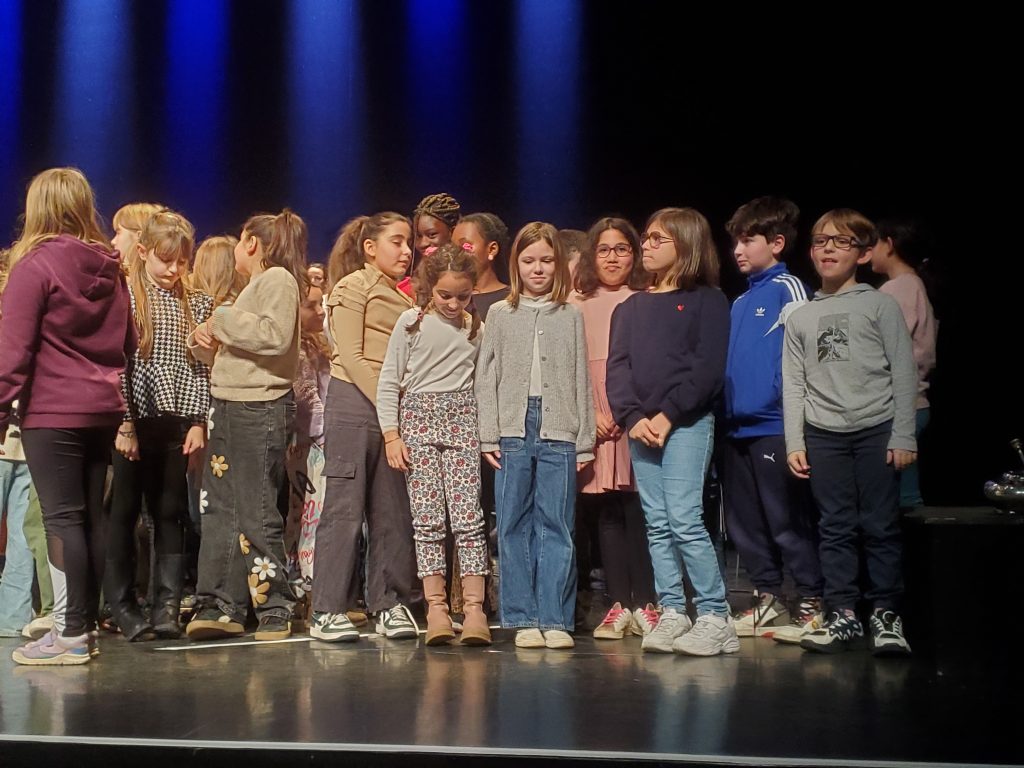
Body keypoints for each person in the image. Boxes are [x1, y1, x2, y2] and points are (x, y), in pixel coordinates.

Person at [1, 167, 135, 665]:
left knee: (61, 519)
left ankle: (70, 633)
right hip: (102, 409)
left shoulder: (34, 266)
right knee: (89, 518)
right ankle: (83, 626)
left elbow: (12, 353)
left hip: (52, 410)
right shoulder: (112, 269)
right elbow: (129, 344)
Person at [783, 208, 916, 656]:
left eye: (840, 242)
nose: (828, 250)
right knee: (834, 526)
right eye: (821, 241)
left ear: (862, 253)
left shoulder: (880, 305)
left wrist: (903, 434)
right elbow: (794, 383)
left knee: (880, 525)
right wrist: (795, 441)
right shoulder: (801, 315)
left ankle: (886, 614)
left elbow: (903, 371)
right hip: (824, 433)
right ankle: (842, 613)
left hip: (875, 427)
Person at [607, 207, 738, 656]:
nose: (646, 245)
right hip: (642, 428)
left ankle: (716, 615)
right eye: (646, 237)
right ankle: (673, 610)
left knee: (684, 518)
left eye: (657, 239)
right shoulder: (631, 307)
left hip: (685, 424)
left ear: (685, 245)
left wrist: (668, 415)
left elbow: (707, 370)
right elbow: (618, 369)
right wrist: (633, 417)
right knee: (658, 523)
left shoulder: (708, 301)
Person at [476, 221, 595, 650]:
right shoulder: (500, 313)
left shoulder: (570, 315)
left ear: (558, 263)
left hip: (559, 427)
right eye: (529, 261)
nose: (538, 268)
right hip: (512, 427)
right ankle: (523, 616)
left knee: (556, 523)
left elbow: (581, 377)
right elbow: (485, 377)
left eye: (546, 260)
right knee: (512, 523)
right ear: (516, 264)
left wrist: (585, 440)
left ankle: (555, 617)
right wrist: (488, 434)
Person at [186, 210, 305, 642]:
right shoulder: (250, 290)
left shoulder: (278, 280)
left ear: (251, 242)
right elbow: (235, 350)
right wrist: (203, 341)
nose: (237, 248)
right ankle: (221, 603)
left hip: (259, 406)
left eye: (239, 240)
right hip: (229, 403)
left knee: (255, 507)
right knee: (220, 509)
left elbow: (274, 336)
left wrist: (220, 319)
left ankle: (275, 606)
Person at [312, 213, 419, 642]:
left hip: (391, 412)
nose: (406, 251)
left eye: (409, 242)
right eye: (397, 241)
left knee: (392, 510)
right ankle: (328, 609)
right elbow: (352, 357)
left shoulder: (405, 300)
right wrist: (389, 405)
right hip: (354, 403)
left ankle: (388, 603)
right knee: (345, 507)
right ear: (370, 248)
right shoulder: (352, 288)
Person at [721, 197, 824, 642]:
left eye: (748, 240)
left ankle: (811, 601)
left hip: (775, 427)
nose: (738, 250)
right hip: (736, 429)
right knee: (745, 523)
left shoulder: (790, 288)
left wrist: (792, 421)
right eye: (735, 242)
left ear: (777, 243)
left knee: (786, 521)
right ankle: (769, 599)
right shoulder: (740, 301)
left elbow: (804, 359)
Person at [377, 243, 491, 645]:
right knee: (427, 521)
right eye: (445, 295)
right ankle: (436, 608)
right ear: (430, 288)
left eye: (463, 296)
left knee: (468, 519)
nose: (453, 304)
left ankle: (474, 609)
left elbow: (481, 384)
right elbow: (389, 380)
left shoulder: (475, 328)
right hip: (418, 425)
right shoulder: (411, 323)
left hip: (461, 423)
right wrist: (391, 434)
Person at [569, 217, 657, 640]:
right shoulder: (575, 302)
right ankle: (619, 602)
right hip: (595, 415)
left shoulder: (647, 298)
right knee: (605, 508)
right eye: (603, 249)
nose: (612, 258)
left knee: (638, 507)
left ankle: (648, 602)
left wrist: (628, 412)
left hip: (635, 411)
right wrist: (591, 414)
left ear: (634, 254)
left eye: (621, 249)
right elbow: (568, 367)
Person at [869, 219, 937, 509]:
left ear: (889, 244)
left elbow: (887, 350)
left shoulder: (899, 289)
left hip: (902, 406)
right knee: (902, 494)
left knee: (899, 500)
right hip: (911, 404)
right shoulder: (911, 285)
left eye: (874, 242)